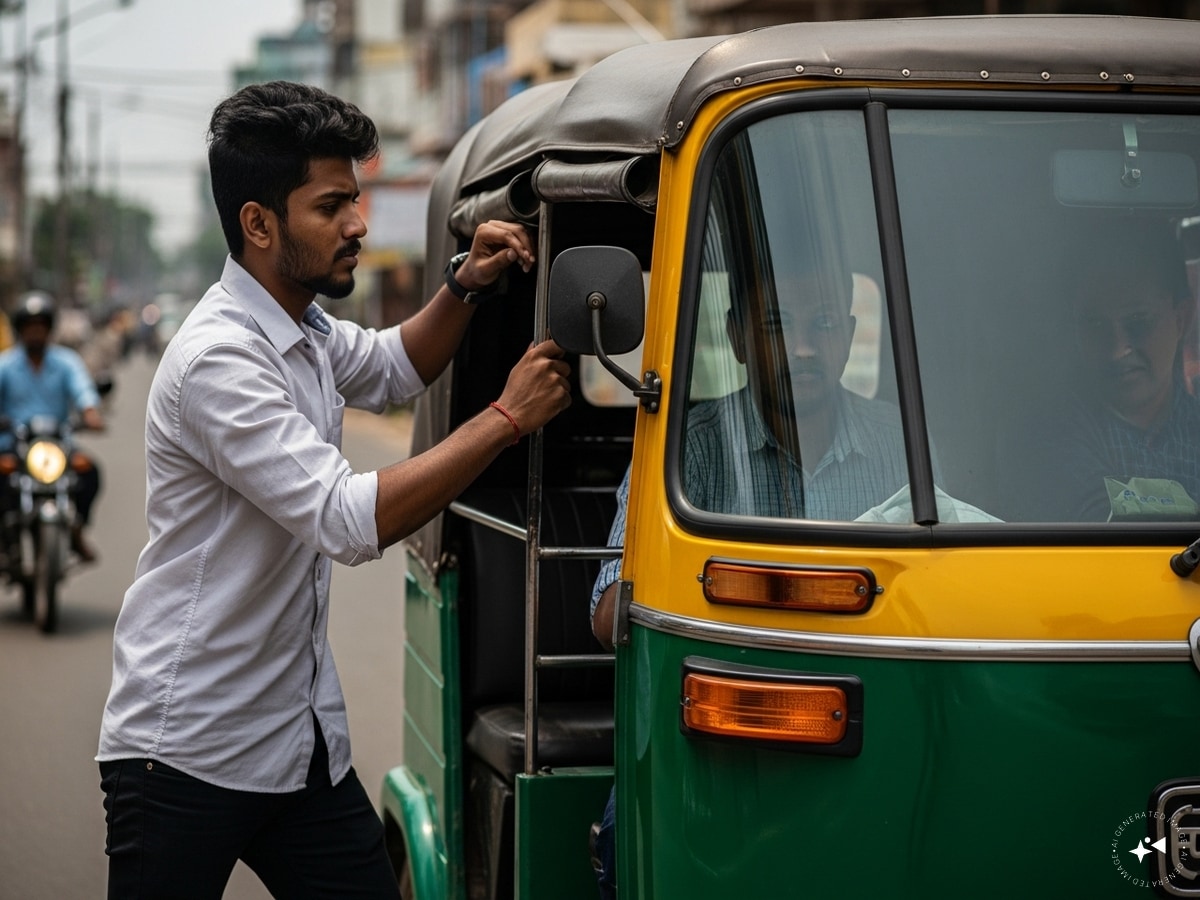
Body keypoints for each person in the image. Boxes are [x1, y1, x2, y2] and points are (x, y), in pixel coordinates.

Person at [95, 81, 571, 899]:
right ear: (258, 223)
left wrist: (465, 283)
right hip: (183, 753)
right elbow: (347, 521)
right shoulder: (221, 359)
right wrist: (507, 418)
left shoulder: (303, 325)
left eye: (355, 199)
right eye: (332, 206)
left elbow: (393, 364)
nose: (357, 223)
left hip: (296, 746)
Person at [587, 264, 910, 898]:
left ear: (848, 334)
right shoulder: (688, 448)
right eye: (776, 325)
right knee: (631, 842)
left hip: (883, 723)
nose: (804, 347)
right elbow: (607, 612)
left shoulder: (902, 446)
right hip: (718, 742)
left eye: (822, 325)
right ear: (737, 337)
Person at [1026, 219, 1200, 522]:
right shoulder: (1043, 434)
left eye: (1138, 321)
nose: (1117, 349)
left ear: (1182, 319)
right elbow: (1096, 521)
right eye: (1095, 325)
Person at [0, 291, 105, 561]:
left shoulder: (66, 362)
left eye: (40, 327)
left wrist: (90, 413)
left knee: (90, 472)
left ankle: (76, 528)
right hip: (15, 445)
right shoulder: (6, 365)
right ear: (20, 331)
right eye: (30, 327)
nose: (35, 333)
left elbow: (83, 390)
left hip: (57, 446)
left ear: (49, 330)